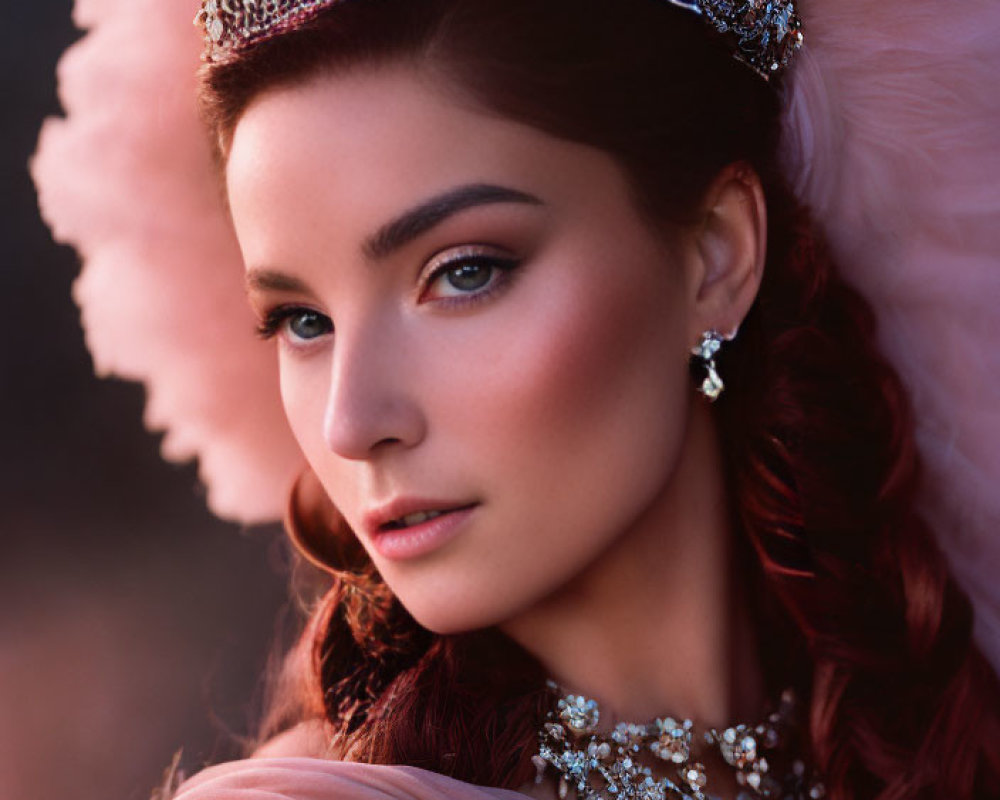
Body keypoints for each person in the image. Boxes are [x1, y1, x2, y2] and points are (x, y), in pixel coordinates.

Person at [31, 0, 1000, 798]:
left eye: (461, 274)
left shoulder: (926, 733)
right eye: (300, 319)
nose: (352, 422)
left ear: (714, 255)